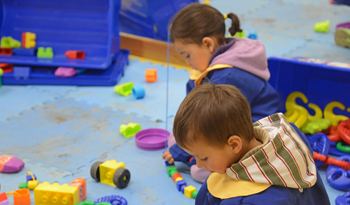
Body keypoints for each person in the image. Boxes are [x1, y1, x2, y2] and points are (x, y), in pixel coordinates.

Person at [163, 3, 280, 183]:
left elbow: (204, 120)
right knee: (176, 139)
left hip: (258, 130)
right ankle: (200, 155)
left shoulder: (226, 77)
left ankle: (205, 159)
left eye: (187, 55)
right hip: (233, 122)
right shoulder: (225, 54)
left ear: (208, 44)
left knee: (198, 171)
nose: (187, 62)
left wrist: (180, 152)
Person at [172, 83, 330, 205]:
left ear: (234, 145)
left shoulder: (246, 200)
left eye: (204, 158)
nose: (199, 164)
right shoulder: (290, 135)